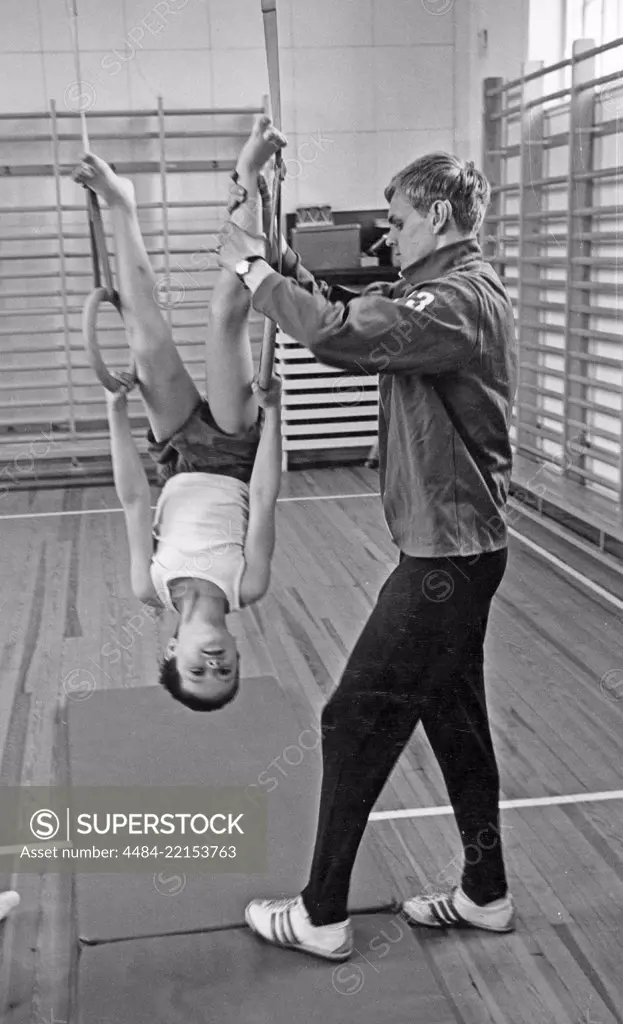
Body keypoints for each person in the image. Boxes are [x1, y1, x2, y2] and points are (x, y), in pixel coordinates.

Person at [218, 147, 518, 959]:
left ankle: (320, 913)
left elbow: (346, 335)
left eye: (397, 221)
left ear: (441, 218)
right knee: (455, 725)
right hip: (453, 553)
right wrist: (276, 262)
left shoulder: (457, 301)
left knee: (353, 717)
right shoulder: (438, 292)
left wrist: (253, 273)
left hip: (444, 564)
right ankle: (484, 894)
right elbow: (353, 306)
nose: (387, 237)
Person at [72, 116, 286, 712]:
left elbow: (136, 500)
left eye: (198, 671)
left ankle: (123, 205)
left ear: (172, 654)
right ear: (239, 656)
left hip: (175, 456)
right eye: (226, 671)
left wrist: (116, 414)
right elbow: (265, 498)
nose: (213, 664)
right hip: (235, 449)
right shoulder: (249, 586)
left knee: (143, 342)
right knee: (227, 313)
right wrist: (273, 420)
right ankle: (247, 178)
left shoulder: (150, 587)